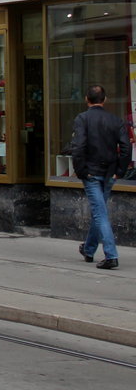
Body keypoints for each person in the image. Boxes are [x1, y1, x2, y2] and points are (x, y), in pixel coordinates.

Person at [70, 84, 131, 270]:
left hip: (91, 173)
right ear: (104, 99)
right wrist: (120, 170)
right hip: (109, 172)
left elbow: (78, 147)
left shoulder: (82, 119)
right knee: (100, 211)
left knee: (100, 213)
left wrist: (81, 170)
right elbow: (126, 147)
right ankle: (89, 249)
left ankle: (111, 255)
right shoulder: (115, 120)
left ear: (86, 99)